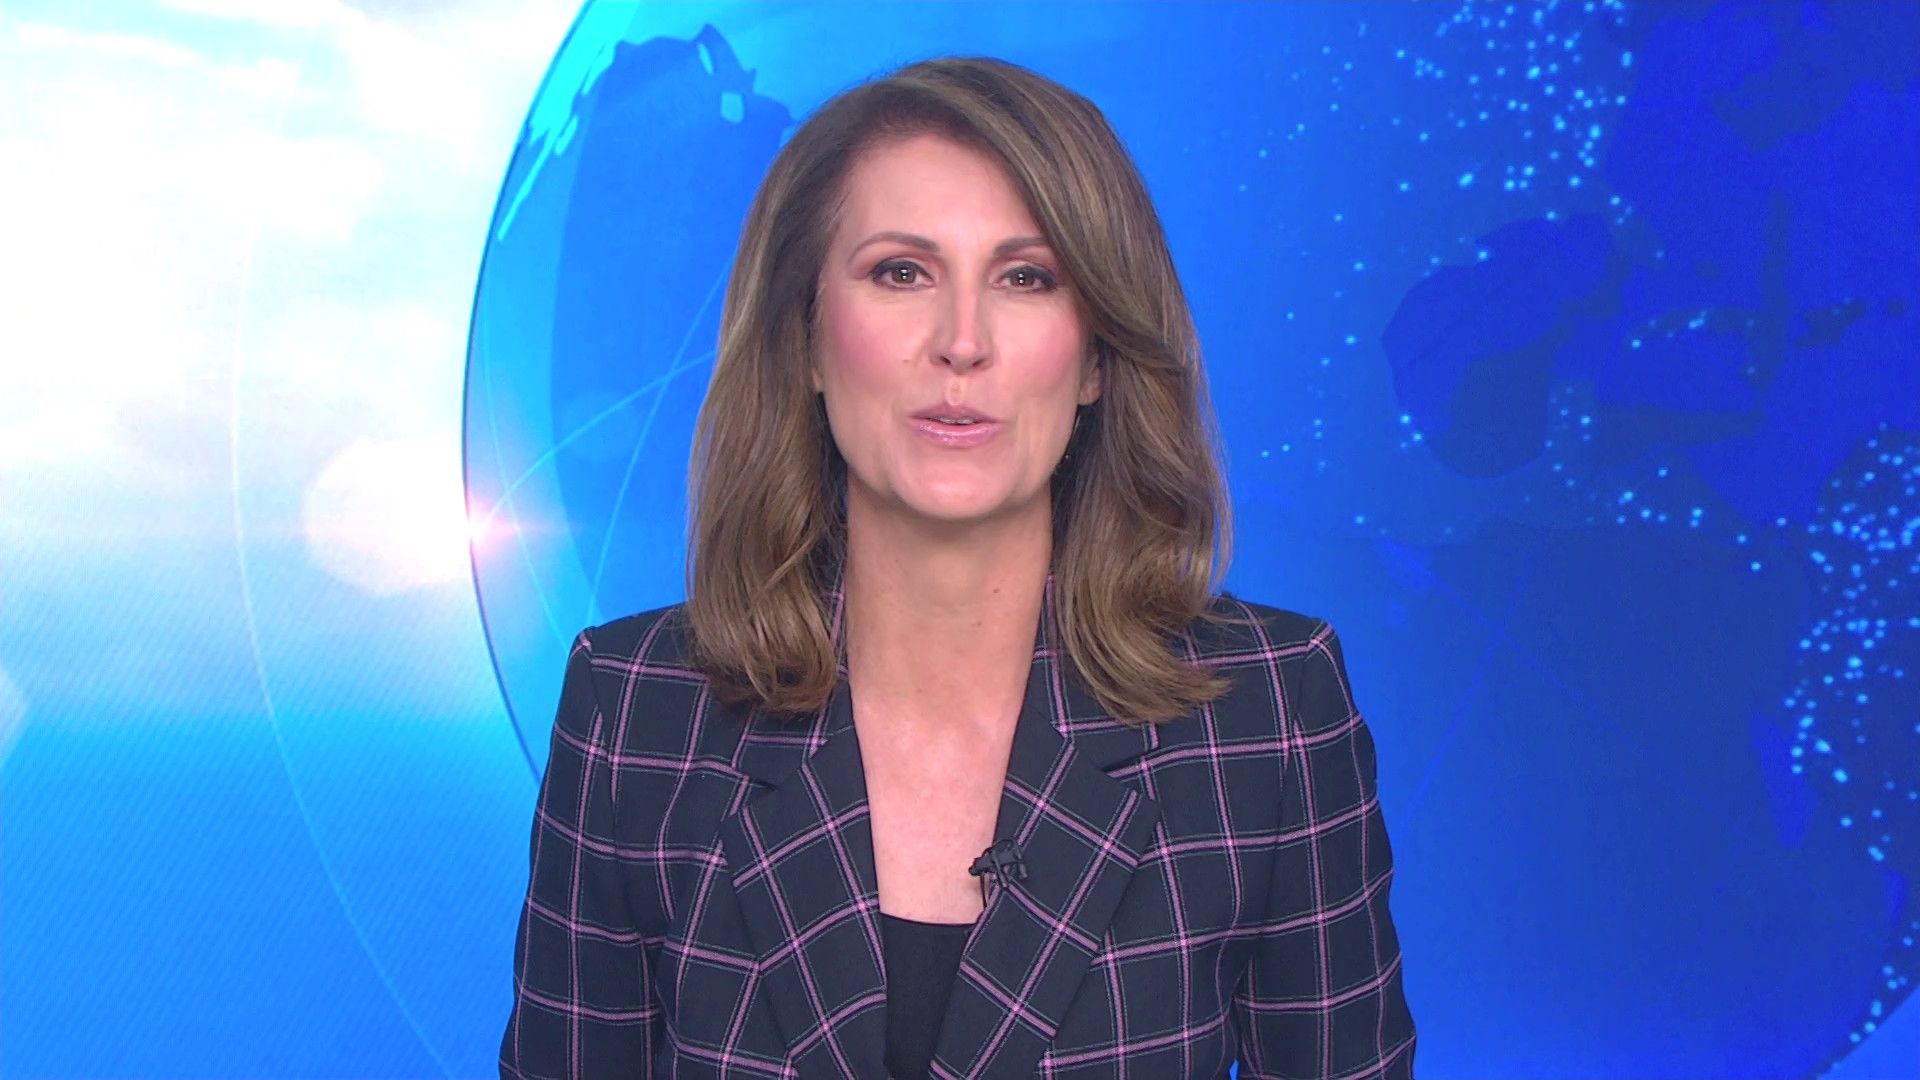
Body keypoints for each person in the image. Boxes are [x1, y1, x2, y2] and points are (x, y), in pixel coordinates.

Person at [499, 54, 1415, 1079]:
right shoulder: (635, 712)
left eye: (1026, 278)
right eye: (902, 273)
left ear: (1097, 357)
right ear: (807, 339)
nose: (962, 343)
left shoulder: (1272, 713)